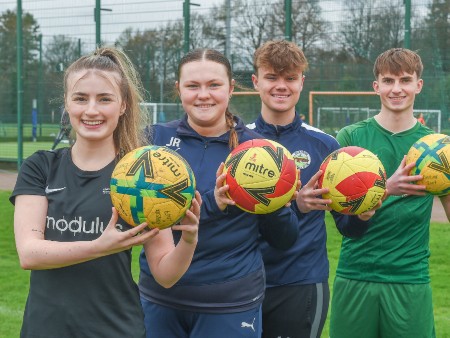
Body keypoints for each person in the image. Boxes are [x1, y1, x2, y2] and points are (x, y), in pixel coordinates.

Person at [10, 47, 201, 338]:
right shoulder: (42, 166)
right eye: (80, 98)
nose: (91, 110)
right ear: (67, 103)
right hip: (44, 328)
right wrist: (100, 246)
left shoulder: (141, 176)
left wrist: (188, 239)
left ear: (122, 105)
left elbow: (164, 274)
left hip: (115, 329)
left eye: (104, 99)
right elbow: (30, 253)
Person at [138, 48, 299, 338]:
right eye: (192, 86)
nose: (203, 95)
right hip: (160, 298)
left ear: (231, 88)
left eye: (214, 85)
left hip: (230, 303)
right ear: (178, 89)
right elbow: (143, 216)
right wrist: (215, 202)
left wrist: (276, 202)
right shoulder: (154, 141)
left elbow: (284, 239)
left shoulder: (259, 151)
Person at [248, 40, 382, 338]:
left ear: (302, 83)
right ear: (256, 81)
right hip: (242, 280)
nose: (281, 86)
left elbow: (348, 228)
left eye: (290, 78)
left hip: (302, 281)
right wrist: (295, 204)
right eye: (272, 77)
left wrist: (363, 214)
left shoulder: (325, 146)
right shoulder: (239, 144)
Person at [329, 48, 450, 338]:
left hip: (409, 278)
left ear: (418, 85)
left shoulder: (438, 148)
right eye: (388, 81)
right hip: (355, 275)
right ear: (376, 87)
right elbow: (343, 221)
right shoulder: (350, 139)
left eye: (405, 80)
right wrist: (386, 190)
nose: (397, 89)